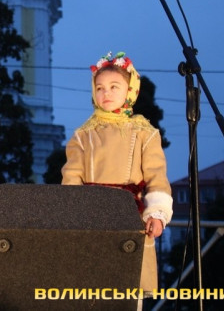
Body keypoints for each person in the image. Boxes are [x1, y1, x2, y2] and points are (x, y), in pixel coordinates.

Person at [61, 51, 173, 296]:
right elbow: (71, 178)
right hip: (91, 220)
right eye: (100, 88)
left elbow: (156, 177)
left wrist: (157, 213)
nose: (106, 93)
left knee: (129, 287)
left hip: (131, 218)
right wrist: (72, 215)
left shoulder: (145, 132)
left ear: (130, 90)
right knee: (92, 287)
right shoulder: (83, 135)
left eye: (114, 87)